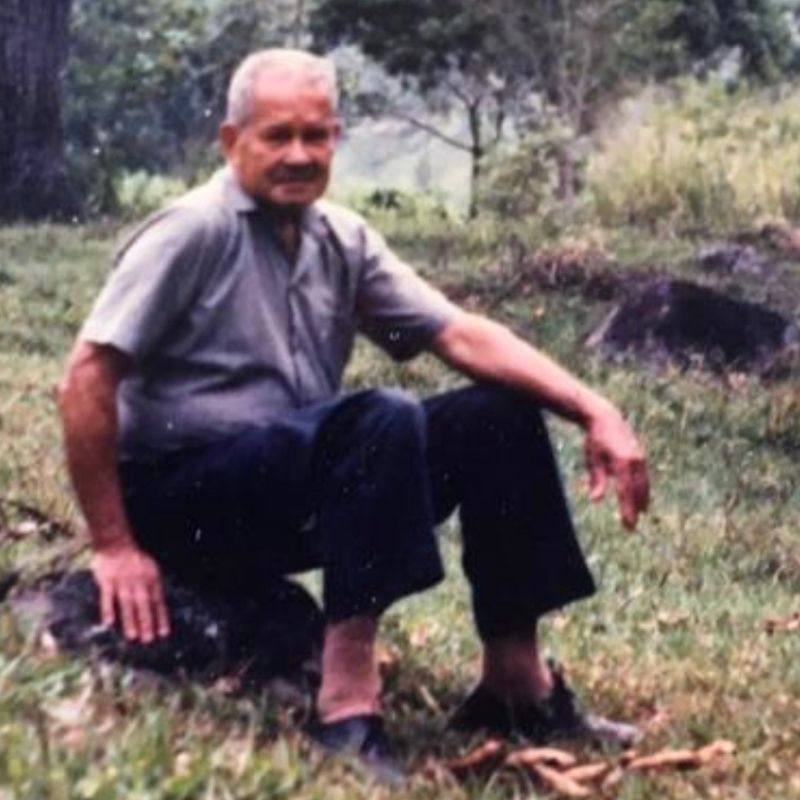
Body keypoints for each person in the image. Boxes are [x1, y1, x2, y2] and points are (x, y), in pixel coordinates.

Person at [58, 48, 649, 779]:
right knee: (380, 417)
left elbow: (458, 333)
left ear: (337, 137)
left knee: (499, 413)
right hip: (186, 502)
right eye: (277, 135)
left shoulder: (339, 237)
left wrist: (595, 408)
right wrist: (114, 544)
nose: (298, 155)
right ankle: (347, 701)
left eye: (316, 135)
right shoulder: (192, 231)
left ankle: (514, 685)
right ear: (230, 139)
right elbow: (86, 376)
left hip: (288, 487)